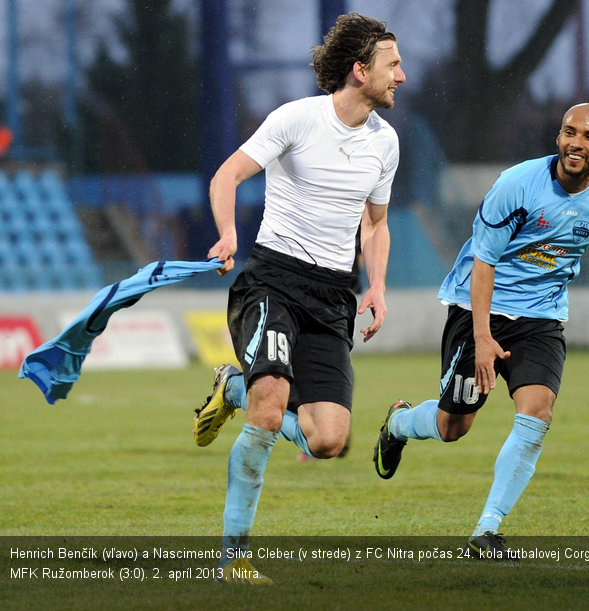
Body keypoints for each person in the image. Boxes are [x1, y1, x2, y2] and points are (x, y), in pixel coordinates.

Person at [191, 13, 405, 585]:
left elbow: (376, 225)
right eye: (392, 65)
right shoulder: (296, 119)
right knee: (271, 404)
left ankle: (231, 386)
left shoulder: (386, 143)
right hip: (273, 283)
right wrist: (230, 233)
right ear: (360, 71)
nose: (401, 77)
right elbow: (225, 177)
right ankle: (232, 557)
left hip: (335, 295)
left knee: (329, 439)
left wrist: (377, 286)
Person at [373, 103, 589, 559]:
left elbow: (566, 251)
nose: (575, 142)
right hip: (479, 309)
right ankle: (399, 423)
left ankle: (486, 530)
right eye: (569, 132)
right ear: (558, 138)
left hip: (541, 319)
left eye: (588, 137)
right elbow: (484, 263)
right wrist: (484, 338)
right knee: (453, 427)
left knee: (537, 413)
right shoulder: (516, 185)